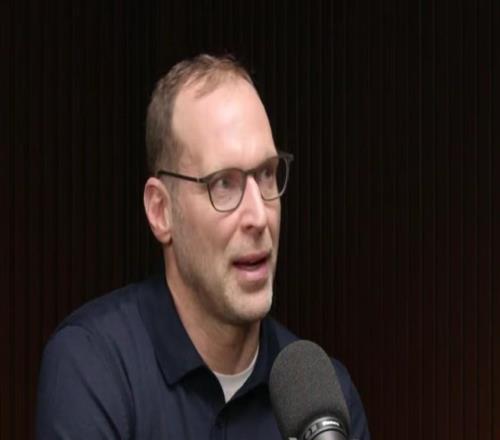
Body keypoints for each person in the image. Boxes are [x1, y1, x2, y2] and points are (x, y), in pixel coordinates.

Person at [37, 54, 370, 439]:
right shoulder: (94, 365)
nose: (258, 216)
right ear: (161, 211)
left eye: (266, 174)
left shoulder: (326, 404)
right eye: (223, 184)